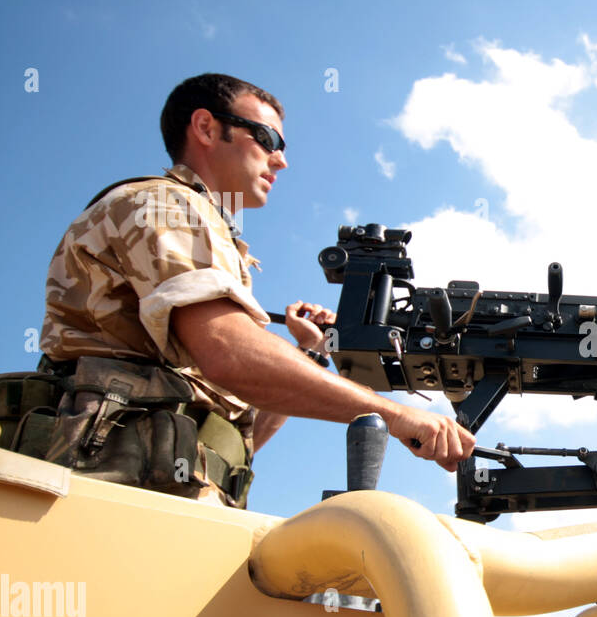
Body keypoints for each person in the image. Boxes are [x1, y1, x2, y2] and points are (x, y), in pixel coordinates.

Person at [35, 72, 473, 507]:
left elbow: (240, 443)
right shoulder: (164, 204)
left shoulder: (206, 225)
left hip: (164, 491)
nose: (280, 160)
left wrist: (311, 352)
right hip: (108, 491)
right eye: (267, 139)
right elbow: (229, 353)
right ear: (206, 127)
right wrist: (395, 414)